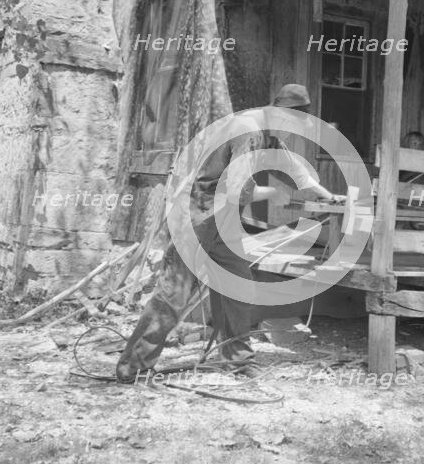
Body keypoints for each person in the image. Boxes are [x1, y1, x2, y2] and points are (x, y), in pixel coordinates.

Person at [116, 84, 342, 382]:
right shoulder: (248, 130)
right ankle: (133, 365)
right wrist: (272, 193)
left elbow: (297, 172)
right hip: (197, 216)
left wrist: (329, 196)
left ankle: (236, 361)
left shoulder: (270, 134)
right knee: (175, 294)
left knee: (238, 289)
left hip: (224, 222)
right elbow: (236, 189)